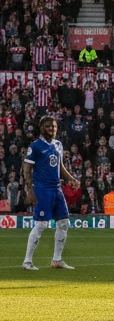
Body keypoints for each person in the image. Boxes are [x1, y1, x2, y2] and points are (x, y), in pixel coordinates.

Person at [21, 115, 80, 271]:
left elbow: (59, 166)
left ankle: (57, 260)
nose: (52, 129)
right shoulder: (35, 146)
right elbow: (26, 170)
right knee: (41, 224)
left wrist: (72, 179)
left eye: (53, 126)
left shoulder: (58, 145)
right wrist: (30, 191)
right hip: (42, 188)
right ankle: (27, 262)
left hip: (56, 187)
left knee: (64, 223)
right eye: (48, 126)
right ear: (41, 128)